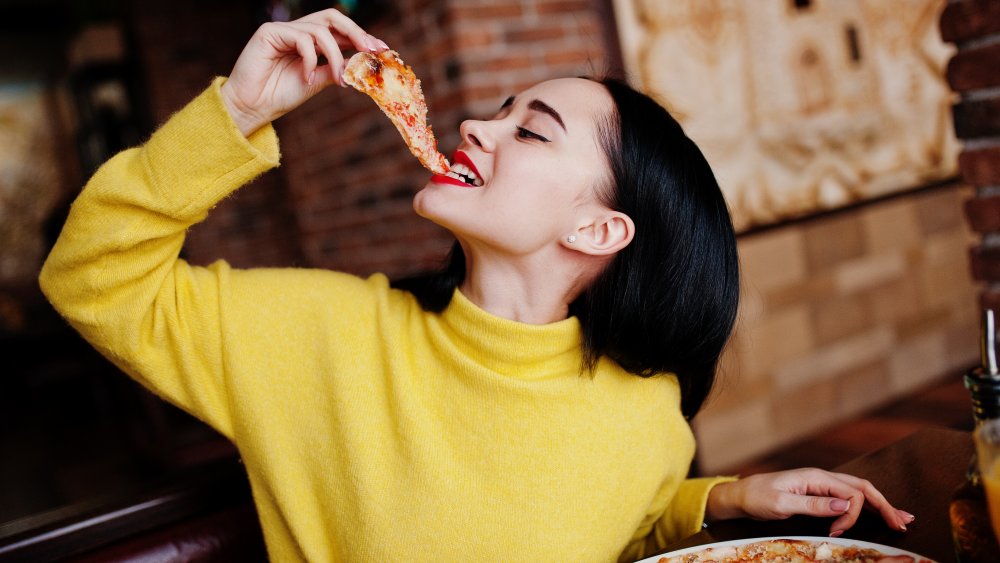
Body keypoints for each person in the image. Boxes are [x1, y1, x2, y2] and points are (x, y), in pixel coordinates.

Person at [40, 9, 914, 563]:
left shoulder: (643, 410)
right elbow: (91, 277)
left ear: (598, 230)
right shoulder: (317, 333)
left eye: (529, 131)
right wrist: (233, 112)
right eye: (498, 112)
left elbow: (613, 522)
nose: (470, 128)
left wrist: (717, 499)